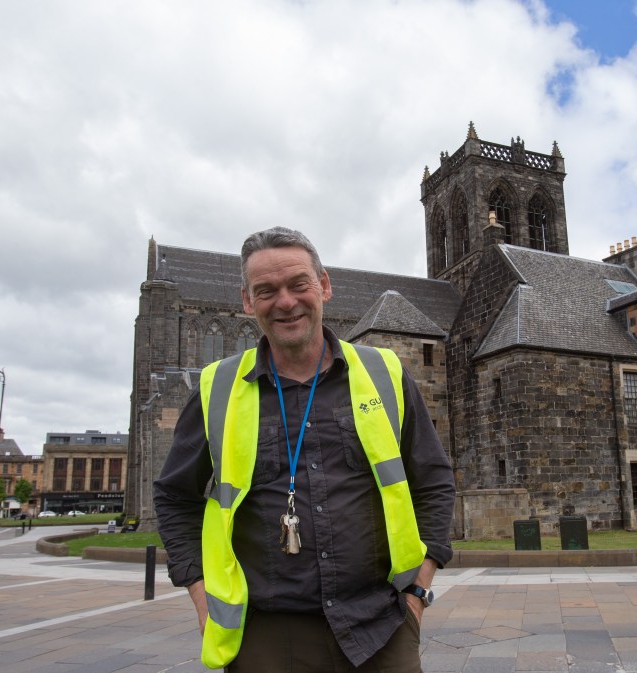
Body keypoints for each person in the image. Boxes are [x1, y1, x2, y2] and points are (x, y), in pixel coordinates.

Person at [154, 227, 455, 672]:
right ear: (246, 302)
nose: (286, 301)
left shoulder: (384, 373)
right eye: (266, 291)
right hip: (266, 636)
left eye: (299, 284)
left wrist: (417, 593)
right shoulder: (218, 388)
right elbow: (174, 497)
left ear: (325, 286)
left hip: (381, 626)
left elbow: (433, 479)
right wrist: (203, 599)